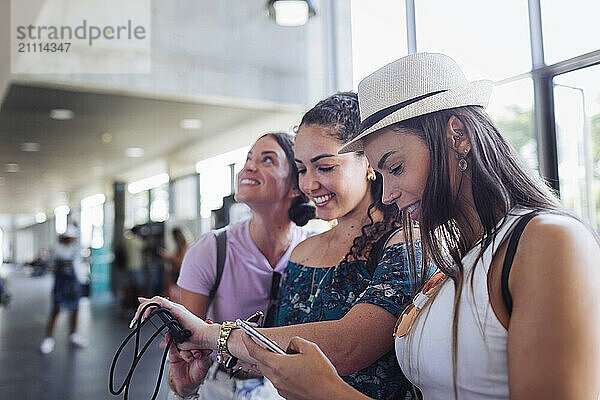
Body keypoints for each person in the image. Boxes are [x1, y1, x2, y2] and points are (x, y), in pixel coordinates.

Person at [237, 53, 600, 400]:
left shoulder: (548, 241)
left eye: (395, 168)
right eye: (380, 175)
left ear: (457, 135)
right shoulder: (459, 256)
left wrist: (329, 392)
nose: (389, 193)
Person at [136, 93, 421, 400]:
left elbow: (348, 345)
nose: (310, 184)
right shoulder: (303, 253)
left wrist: (208, 335)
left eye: (324, 167)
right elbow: (276, 355)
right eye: (302, 170)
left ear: (367, 162)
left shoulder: (405, 242)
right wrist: (198, 374)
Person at [169, 132, 314, 399]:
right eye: (248, 158)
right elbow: (185, 352)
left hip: (284, 389)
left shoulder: (315, 251)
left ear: (296, 185)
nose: (248, 165)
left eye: (267, 159)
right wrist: (186, 385)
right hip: (215, 385)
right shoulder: (210, 250)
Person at [40, 224, 90, 354]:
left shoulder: (76, 249)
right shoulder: (57, 249)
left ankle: (73, 334)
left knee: (75, 309)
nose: (71, 240)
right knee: (56, 310)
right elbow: (51, 266)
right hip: (61, 284)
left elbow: (80, 266)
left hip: (74, 284)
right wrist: (62, 267)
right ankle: (48, 339)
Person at [160, 227, 189, 300]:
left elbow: (182, 263)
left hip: (180, 277)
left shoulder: (185, 248)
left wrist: (170, 257)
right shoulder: (179, 248)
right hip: (175, 277)